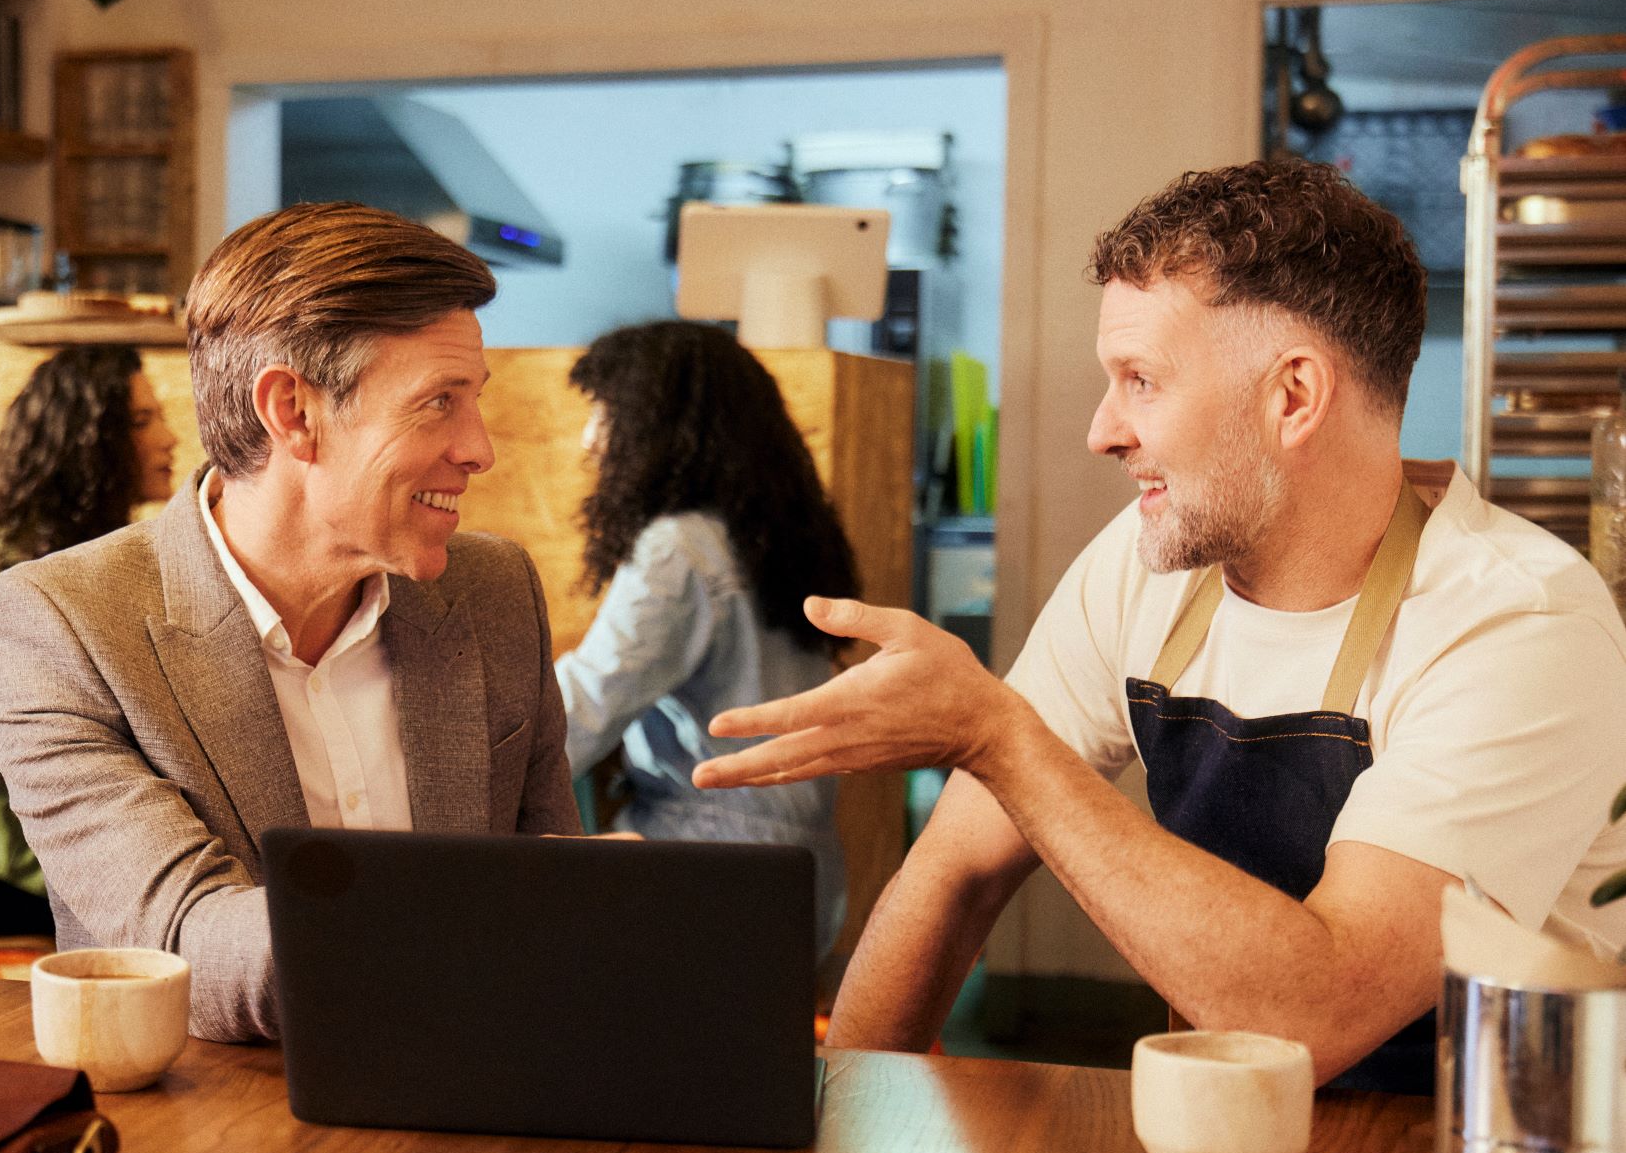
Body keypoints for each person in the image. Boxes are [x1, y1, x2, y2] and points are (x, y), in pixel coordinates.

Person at [695, 158, 1626, 1093]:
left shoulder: (1517, 623)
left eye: (1141, 380)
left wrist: (999, 738)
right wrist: (835, 1122)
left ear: (1294, 397)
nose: (1103, 431)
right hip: (1231, 1131)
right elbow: (955, 874)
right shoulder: (1145, 568)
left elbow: (1319, 1011)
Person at [0, 202, 581, 1043]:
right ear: (292, 411)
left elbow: (558, 889)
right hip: (228, 1108)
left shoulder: (495, 590)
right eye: (439, 402)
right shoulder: (59, 626)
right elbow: (184, 943)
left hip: (485, 1084)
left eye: (472, 400)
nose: (480, 449)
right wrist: (498, 919)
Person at [554, 320, 860, 960]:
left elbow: (584, 706)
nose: (589, 438)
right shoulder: (771, 535)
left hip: (711, 868)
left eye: (606, 412)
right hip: (807, 868)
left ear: (657, 424)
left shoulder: (678, 548)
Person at [0, 344, 179, 939]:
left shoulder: (89, 548)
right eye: (141, 421)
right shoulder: (17, 563)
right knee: (165, 913)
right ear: (87, 441)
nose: (169, 439)